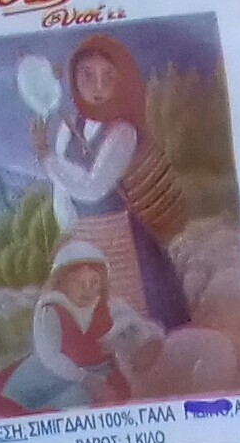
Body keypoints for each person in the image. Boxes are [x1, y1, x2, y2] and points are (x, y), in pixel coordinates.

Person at [32, 33, 190, 330]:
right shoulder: (69, 127)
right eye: (87, 76)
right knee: (88, 316)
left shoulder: (122, 132)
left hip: (119, 236)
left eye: (108, 77)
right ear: (73, 79)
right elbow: (62, 189)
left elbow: (93, 188)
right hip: (83, 236)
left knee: (134, 314)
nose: (98, 87)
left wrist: (46, 156)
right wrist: (67, 228)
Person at [0, 239, 160, 414]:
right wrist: (87, 380)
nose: (86, 290)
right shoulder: (51, 308)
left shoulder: (109, 305)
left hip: (99, 371)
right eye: (78, 283)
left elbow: (140, 330)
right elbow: (50, 355)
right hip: (54, 374)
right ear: (61, 281)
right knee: (77, 402)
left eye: (94, 282)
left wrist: (146, 345)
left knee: (120, 399)